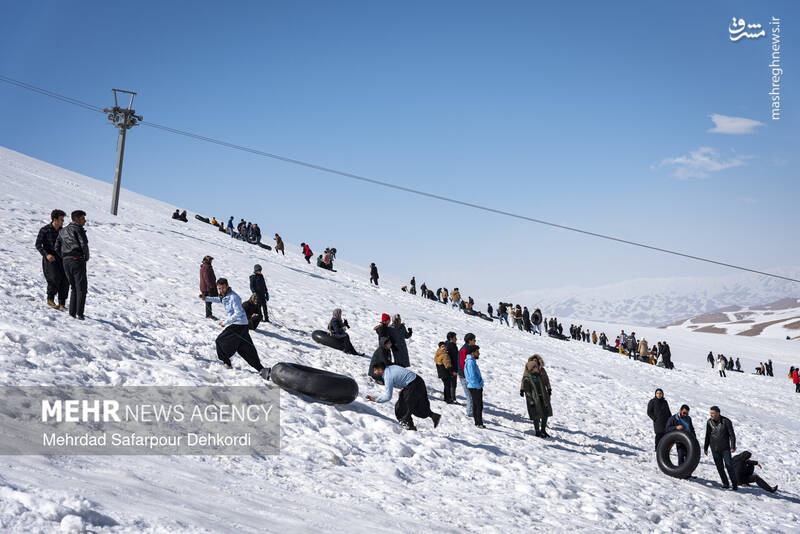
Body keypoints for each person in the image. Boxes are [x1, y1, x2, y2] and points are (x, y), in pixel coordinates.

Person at [198, 278, 270, 379]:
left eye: (223, 288)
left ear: (227, 286)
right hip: (242, 325)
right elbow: (219, 299)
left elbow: (238, 313)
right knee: (245, 349)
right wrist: (206, 298)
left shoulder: (234, 297)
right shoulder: (225, 296)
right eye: (219, 288)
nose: (221, 290)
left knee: (220, 340)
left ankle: (227, 362)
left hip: (238, 325)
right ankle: (262, 370)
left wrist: (225, 322)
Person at [366, 362, 441, 431]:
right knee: (417, 405)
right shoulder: (391, 367)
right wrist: (404, 388)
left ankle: (410, 427)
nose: (374, 372)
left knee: (401, 406)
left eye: (375, 370)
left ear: (380, 370)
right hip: (418, 381)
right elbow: (402, 375)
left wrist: (376, 400)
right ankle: (434, 416)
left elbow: (388, 396)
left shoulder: (388, 377)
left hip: (413, 385)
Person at [55, 210, 89, 320]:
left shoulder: (62, 231)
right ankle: (80, 314)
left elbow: (56, 247)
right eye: (83, 218)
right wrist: (86, 257)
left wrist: (64, 257)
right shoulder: (78, 229)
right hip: (77, 259)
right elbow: (83, 244)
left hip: (66, 261)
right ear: (77, 219)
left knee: (74, 287)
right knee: (81, 288)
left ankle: (72, 312)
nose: (85, 221)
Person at [35, 209, 69, 310]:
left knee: (65, 279)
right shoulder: (44, 230)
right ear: (55, 219)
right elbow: (38, 245)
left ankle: (62, 303)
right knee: (54, 278)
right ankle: (50, 299)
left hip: (62, 257)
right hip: (49, 257)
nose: (63, 222)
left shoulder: (63, 232)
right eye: (61, 220)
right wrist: (46, 254)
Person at [704, 406, 738, 490]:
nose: (711, 415)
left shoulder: (726, 421)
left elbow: (732, 435)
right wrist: (705, 447)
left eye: (713, 413)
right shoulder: (709, 422)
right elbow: (707, 435)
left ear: (718, 413)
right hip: (714, 448)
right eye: (710, 413)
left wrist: (732, 446)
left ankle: (734, 484)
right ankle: (725, 483)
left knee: (729, 465)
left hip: (725, 448)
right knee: (719, 467)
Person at [520, 354, 552, 437]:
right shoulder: (528, 376)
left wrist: (549, 389)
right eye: (534, 365)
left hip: (543, 396)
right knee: (536, 415)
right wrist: (522, 390)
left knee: (545, 413)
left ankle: (543, 430)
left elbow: (547, 380)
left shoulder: (540, 373)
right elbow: (525, 384)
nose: (536, 366)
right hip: (535, 398)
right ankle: (537, 431)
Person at [463, 345, 485, 428]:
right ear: (472, 353)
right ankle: (479, 423)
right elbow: (472, 377)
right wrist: (478, 386)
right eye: (477, 351)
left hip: (474, 386)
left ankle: (478, 423)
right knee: (478, 405)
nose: (479, 353)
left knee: (477, 405)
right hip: (475, 387)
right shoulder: (470, 362)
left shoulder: (471, 361)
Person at [458, 333, 477, 419]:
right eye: (474, 340)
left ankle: (471, 411)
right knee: (469, 395)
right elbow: (462, 364)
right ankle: (470, 413)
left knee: (471, 395)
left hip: (467, 375)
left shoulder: (468, 349)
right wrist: (468, 375)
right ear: (470, 340)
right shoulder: (464, 350)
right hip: (464, 376)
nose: (475, 341)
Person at [444, 332, 460, 404]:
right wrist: (452, 369)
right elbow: (450, 358)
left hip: (451, 367)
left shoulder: (448, 344)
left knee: (450, 384)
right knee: (453, 384)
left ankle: (449, 397)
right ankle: (452, 398)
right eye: (455, 337)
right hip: (452, 368)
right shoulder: (450, 346)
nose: (456, 339)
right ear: (451, 338)